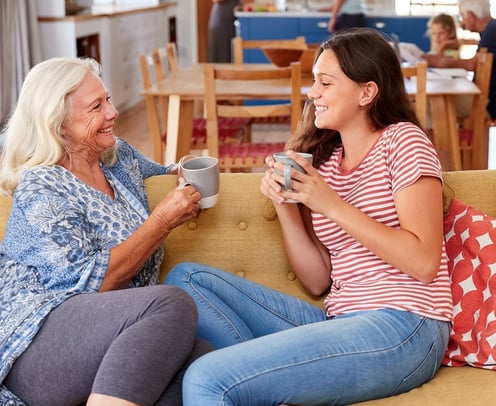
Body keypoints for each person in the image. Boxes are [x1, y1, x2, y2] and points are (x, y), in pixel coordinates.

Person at [165, 28, 453, 405]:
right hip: (342, 321)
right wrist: (288, 204)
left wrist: (330, 203)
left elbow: (425, 262)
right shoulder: (328, 165)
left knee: (207, 378)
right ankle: (264, 385)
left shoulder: (403, 142)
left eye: (325, 82)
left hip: (406, 325)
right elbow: (319, 281)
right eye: (314, 81)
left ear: (367, 92)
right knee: (185, 280)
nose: (312, 92)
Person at [0, 56, 213, 405]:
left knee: (199, 362)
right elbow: (88, 286)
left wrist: (183, 170)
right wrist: (161, 222)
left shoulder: (118, 157)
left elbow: (161, 172)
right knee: (171, 304)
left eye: (108, 99)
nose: (113, 112)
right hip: (37, 343)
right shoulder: (43, 185)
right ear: (58, 122)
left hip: (109, 337)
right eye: (97, 106)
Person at [423, 0, 496, 120]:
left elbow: (471, 65)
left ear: (470, 16)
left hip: (487, 103)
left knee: (428, 103)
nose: (462, 21)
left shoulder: (491, 31)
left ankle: (443, 139)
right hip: (484, 98)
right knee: (436, 99)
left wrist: (441, 62)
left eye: (462, 16)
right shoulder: (490, 29)